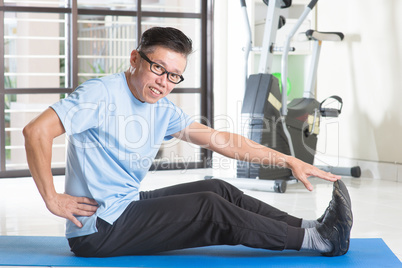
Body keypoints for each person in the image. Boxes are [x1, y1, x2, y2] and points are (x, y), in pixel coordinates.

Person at [23, 27, 352, 257]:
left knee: (220, 190)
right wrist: (52, 198)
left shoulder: (162, 108)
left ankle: (311, 225)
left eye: (173, 76)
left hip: (127, 204)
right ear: (135, 59)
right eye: (157, 68)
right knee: (208, 207)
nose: (163, 83)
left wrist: (289, 160)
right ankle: (317, 241)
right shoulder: (100, 93)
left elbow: (222, 140)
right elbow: (36, 131)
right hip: (99, 228)